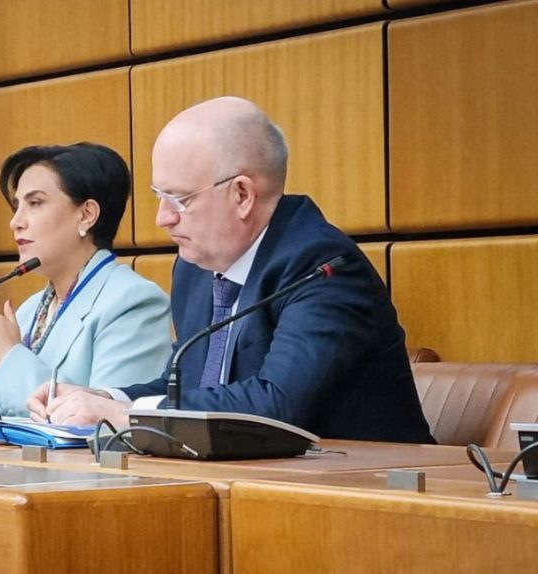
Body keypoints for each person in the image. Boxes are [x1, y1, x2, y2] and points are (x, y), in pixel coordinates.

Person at [27, 97, 435, 444]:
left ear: (242, 194)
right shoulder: (195, 270)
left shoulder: (321, 267)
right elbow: (186, 389)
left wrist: (124, 414)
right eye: (158, 196)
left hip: (367, 492)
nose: (162, 218)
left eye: (179, 199)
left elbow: (276, 406)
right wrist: (102, 398)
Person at [0, 143, 173, 417]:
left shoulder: (133, 302)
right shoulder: (31, 309)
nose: (15, 222)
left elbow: (109, 425)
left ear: (86, 215)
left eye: (35, 203)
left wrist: (9, 356)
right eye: (16, 206)